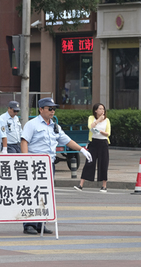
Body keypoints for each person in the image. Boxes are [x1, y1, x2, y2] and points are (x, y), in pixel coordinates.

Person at [21, 97, 92, 234]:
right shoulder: (32, 124)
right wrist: (26, 160)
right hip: (35, 163)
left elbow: (66, 140)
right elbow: (24, 141)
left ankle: (40, 223)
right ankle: (28, 223)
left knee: (45, 194)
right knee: (32, 193)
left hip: (49, 164)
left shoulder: (54, 126)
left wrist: (81, 149)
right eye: (49, 108)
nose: (52, 111)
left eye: (54, 109)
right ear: (41, 109)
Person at [75, 103, 111, 192]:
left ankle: (104, 186)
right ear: (95, 110)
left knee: (103, 163)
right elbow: (90, 126)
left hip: (103, 143)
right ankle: (81, 184)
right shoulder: (91, 118)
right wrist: (99, 120)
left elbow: (108, 133)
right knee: (89, 162)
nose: (102, 111)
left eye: (103, 109)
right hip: (93, 143)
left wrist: (101, 132)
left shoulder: (107, 120)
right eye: (100, 109)